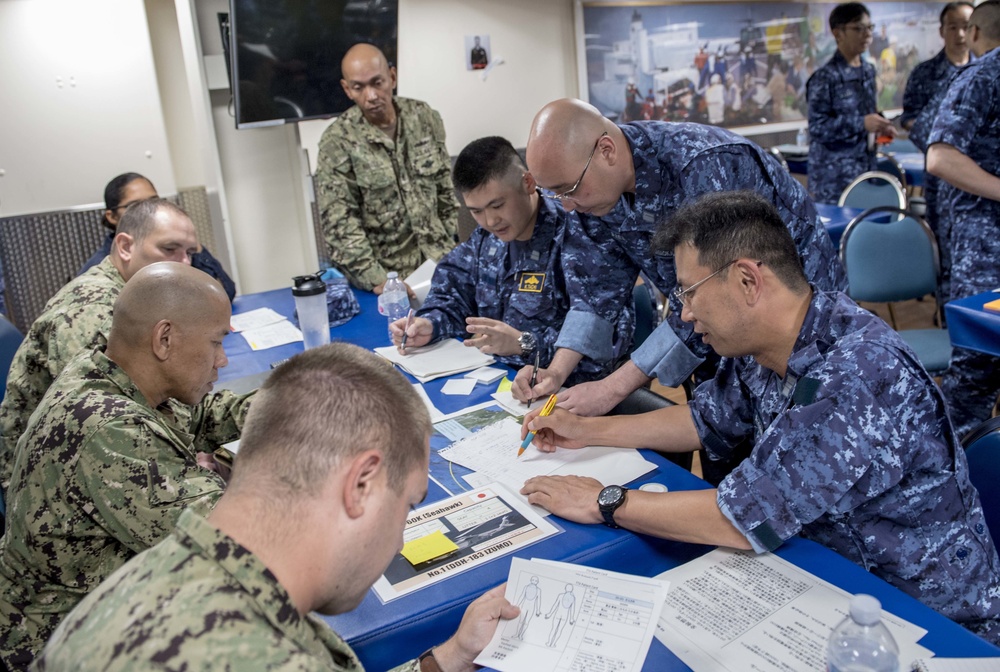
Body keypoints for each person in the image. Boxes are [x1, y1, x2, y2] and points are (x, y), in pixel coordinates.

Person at [519, 190, 1000, 644]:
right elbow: (706, 420)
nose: (684, 315)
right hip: (830, 578)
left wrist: (605, 501)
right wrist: (584, 431)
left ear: (748, 280)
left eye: (689, 293)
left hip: (920, 622)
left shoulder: (854, 372)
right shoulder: (775, 339)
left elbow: (740, 519)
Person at [34, 343, 517, 671]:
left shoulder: (135, 585)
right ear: (361, 484)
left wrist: (445, 657)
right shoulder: (275, 655)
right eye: (409, 503)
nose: (399, 536)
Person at [521, 99, 846, 464]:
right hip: (722, 338)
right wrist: (555, 371)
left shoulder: (703, 166)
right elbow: (594, 294)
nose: (565, 205)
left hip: (796, 342)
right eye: (555, 194)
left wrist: (612, 388)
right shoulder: (589, 196)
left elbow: (711, 297)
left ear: (606, 151)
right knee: (723, 460)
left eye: (568, 189)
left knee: (794, 465)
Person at [0, 263, 254, 669]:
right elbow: (234, 543)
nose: (222, 360)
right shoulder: (108, 429)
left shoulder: (115, 371)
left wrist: (285, 406)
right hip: (64, 645)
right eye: (216, 342)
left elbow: (202, 416)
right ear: (164, 339)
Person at [391, 136, 633, 392]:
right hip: (498, 380)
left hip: (566, 392)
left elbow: (606, 339)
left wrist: (525, 343)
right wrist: (429, 324)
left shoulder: (578, 232)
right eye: (476, 211)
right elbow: (453, 292)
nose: (490, 220)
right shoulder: (486, 239)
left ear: (528, 183)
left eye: (497, 205)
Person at [0, 198, 201, 490]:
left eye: (190, 253)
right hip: (43, 481)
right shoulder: (92, 309)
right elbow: (115, 418)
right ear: (125, 246)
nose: (184, 263)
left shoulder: (138, 296)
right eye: (169, 249)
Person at [314, 43, 458, 294]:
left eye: (377, 82)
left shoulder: (423, 117)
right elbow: (341, 224)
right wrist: (380, 281)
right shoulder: (337, 141)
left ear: (392, 77)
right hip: (388, 277)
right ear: (347, 89)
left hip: (442, 263)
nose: (371, 95)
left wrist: (449, 244)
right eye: (359, 87)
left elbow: (444, 188)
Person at [927, 0, 1000, 438]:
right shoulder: (985, 75)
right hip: (986, 243)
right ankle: (953, 487)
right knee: (977, 371)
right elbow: (939, 157)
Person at [900, 2, 974, 306]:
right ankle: (949, 320)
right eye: (953, 26)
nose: (960, 34)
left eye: (966, 26)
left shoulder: (984, 71)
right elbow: (908, 119)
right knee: (946, 254)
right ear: (942, 31)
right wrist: (939, 139)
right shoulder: (926, 73)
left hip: (983, 187)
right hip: (943, 182)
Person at [79, 173, 237, 301]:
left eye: (154, 201)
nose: (149, 211)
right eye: (135, 205)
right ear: (126, 246)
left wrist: (190, 245)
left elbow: (225, 293)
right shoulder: (95, 287)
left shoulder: (178, 251)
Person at [806, 2, 896, 204]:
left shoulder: (868, 71)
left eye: (869, 28)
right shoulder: (825, 78)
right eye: (858, 28)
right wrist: (861, 123)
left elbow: (867, 113)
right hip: (835, 177)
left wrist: (880, 125)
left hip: (866, 168)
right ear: (838, 33)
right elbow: (817, 127)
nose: (867, 34)